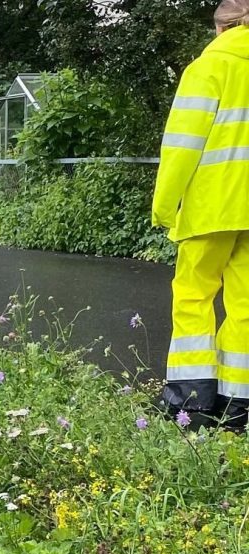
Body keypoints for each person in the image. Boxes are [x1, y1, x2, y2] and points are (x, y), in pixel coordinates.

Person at [156, 0, 249, 428]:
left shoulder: (207, 69)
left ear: (221, 28)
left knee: (194, 298)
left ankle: (190, 404)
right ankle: (238, 408)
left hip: (210, 208)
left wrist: (163, 205)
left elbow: (182, 146)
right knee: (245, 305)